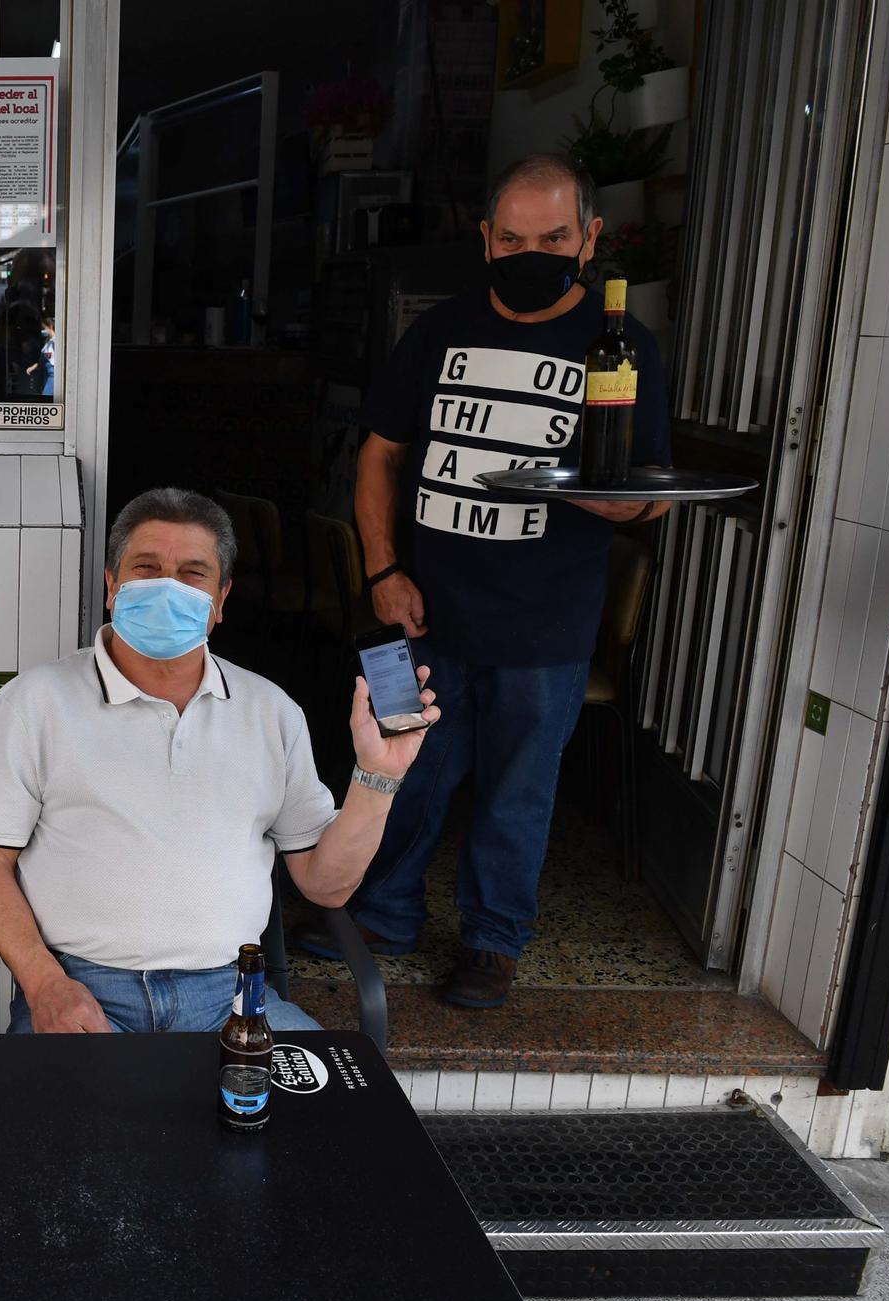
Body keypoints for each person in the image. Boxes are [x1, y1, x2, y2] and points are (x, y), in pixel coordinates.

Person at [313, 153, 672, 1008]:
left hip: (546, 624)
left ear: (588, 237)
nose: (530, 251)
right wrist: (383, 570)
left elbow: (650, 490)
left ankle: (493, 940)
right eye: (511, 237)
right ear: (485, 238)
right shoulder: (439, 331)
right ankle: (385, 911)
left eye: (552, 236)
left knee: (519, 789)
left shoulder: (623, 348)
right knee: (407, 771)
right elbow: (380, 457)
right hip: (422, 612)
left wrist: (629, 509)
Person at [0, 487, 440, 1035]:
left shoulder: (271, 711)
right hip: (83, 993)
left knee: (337, 1116)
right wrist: (46, 986)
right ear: (112, 586)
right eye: (146, 567)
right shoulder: (33, 702)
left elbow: (326, 887)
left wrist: (381, 774)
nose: (168, 586)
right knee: (69, 1124)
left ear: (221, 600)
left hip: (235, 998)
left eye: (192, 573)